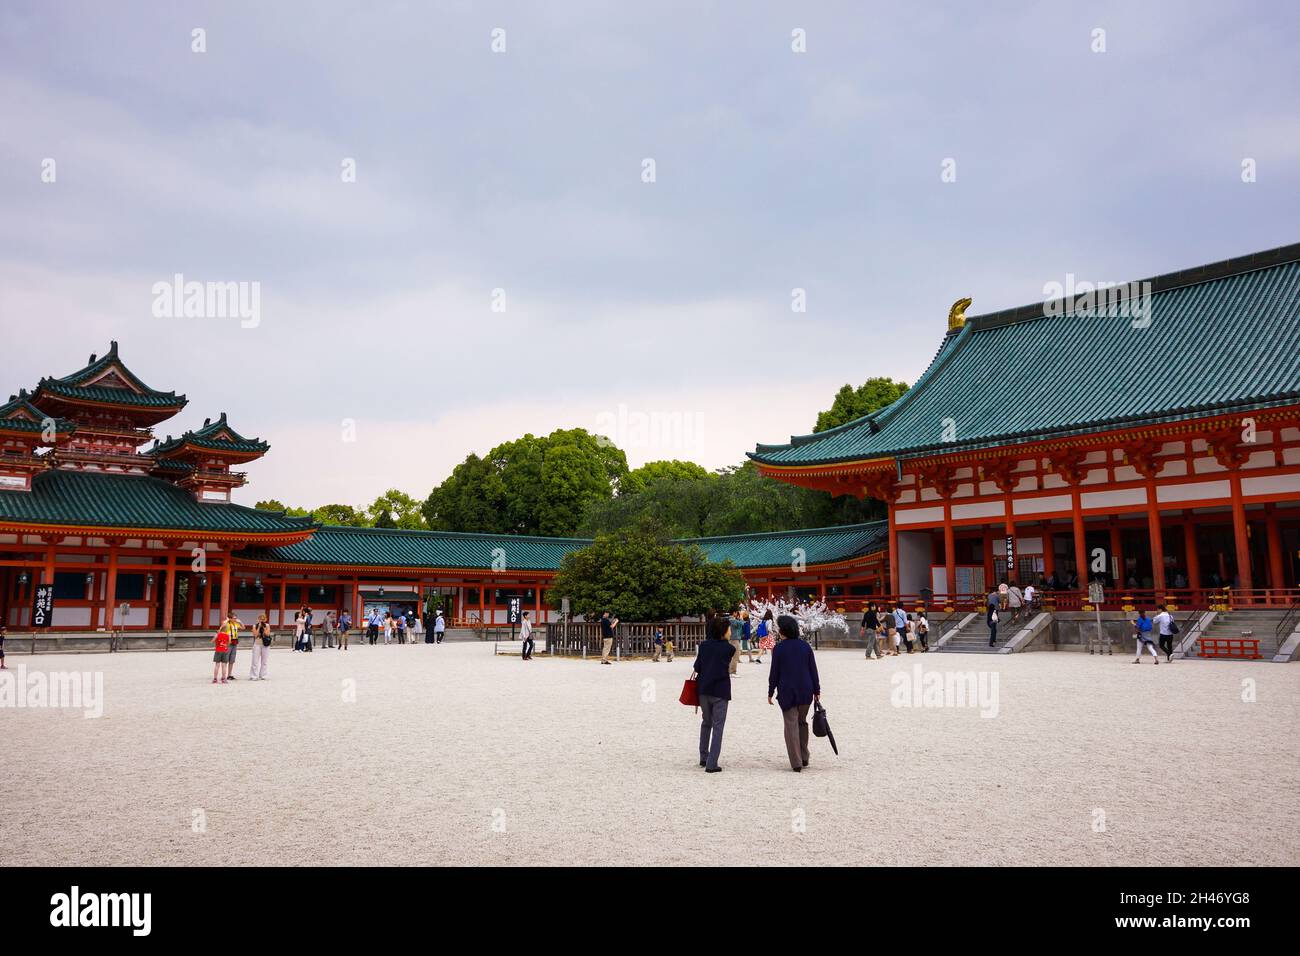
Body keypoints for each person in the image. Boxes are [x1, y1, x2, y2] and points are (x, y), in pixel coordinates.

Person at [767, 615, 821, 773]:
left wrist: (770, 691)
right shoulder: (805, 646)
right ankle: (804, 756)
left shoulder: (779, 649)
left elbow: (774, 673)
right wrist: (817, 690)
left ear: (783, 631)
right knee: (802, 722)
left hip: (787, 691)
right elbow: (813, 670)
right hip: (806, 690)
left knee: (791, 725)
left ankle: (796, 761)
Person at [693, 616, 736, 773]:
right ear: (723, 631)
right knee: (718, 726)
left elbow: (697, 667)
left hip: (703, 689)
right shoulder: (729, 649)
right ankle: (712, 763)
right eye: (729, 629)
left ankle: (704, 756)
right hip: (720, 690)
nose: (730, 632)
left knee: (706, 722)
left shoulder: (704, 646)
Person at [248, 613, 271, 680]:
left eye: (263, 619)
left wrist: (263, 628)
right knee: (255, 661)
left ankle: (263, 675)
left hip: (265, 644)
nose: (261, 620)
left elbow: (267, 634)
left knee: (264, 661)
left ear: (265, 619)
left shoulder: (267, 625)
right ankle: (253, 676)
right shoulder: (254, 626)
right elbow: (255, 635)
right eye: (260, 619)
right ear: (258, 619)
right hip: (257, 644)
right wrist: (258, 627)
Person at [222, 613, 242, 677]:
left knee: (232, 660)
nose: (235, 619)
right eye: (234, 618)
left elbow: (243, 627)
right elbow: (222, 626)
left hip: (235, 642)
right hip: (228, 642)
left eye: (236, 618)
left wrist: (240, 622)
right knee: (226, 659)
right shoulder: (227, 624)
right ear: (230, 618)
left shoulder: (236, 624)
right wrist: (227, 620)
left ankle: (229, 674)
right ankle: (224, 675)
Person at [727, 609, 743, 676]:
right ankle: (733, 671)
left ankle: (729, 671)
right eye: (736, 612)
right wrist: (741, 617)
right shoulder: (732, 620)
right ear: (734, 612)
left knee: (729, 656)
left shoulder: (728, 619)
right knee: (735, 656)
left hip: (729, 639)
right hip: (734, 639)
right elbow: (741, 624)